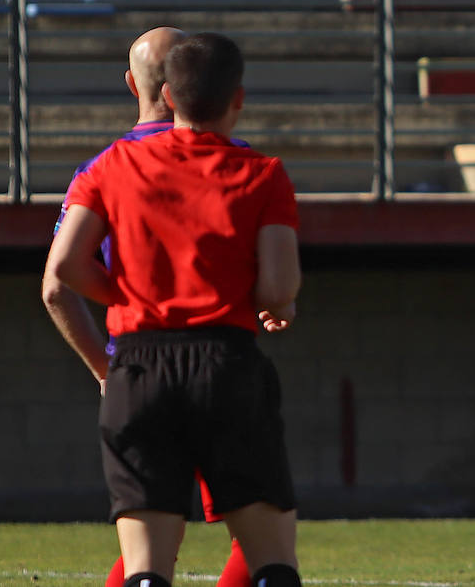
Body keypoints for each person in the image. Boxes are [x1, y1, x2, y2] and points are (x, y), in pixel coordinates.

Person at [43, 32, 304, 587]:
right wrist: (268, 299)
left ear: (151, 89)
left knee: (146, 567)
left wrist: (127, 316)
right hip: (225, 363)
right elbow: (277, 287)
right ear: (236, 97)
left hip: (139, 366)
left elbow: (59, 277)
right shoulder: (256, 169)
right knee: (267, 549)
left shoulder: (109, 165)